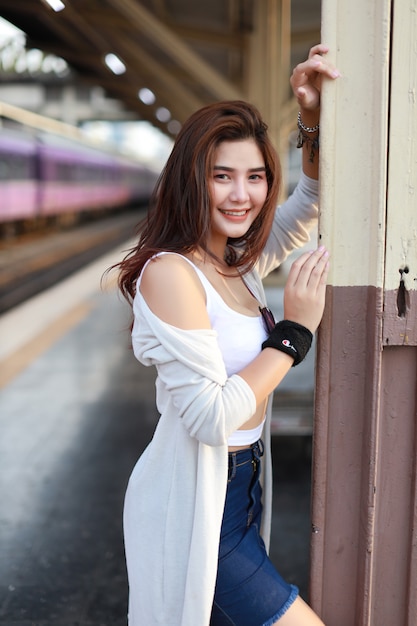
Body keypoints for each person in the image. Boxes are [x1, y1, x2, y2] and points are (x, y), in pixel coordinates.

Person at [115, 43, 340, 626]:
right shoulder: (171, 274)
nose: (242, 195)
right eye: (222, 176)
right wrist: (292, 333)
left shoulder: (235, 264)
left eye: (256, 177)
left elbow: (310, 199)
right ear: (194, 179)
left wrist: (310, 118)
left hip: (239, 493)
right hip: (196, 510)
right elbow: (213, 418)